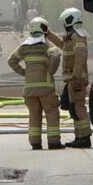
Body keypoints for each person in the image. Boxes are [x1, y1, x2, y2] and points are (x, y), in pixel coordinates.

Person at [8, 16, 63, 149]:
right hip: (46, 89)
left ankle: (35, 142)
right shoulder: (46, 45)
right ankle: (54, 141)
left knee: (34, 116)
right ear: (44, 30)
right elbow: (55, 56)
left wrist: (24, 72)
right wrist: (51, 71)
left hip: (29, 90)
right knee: (52, 114)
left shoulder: (24, 47)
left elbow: (11, 60)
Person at [54, 8, 93, 148]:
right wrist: (48, 34)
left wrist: (76, 76)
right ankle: (79, 136)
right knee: (73, 108)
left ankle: (84, 137)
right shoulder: (72, 37)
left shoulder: (78, 36)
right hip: (72, 80)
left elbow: (80, 57)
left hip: (77, 80)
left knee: (79, 108)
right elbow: (61, 44)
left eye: (64, 22)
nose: (63, 25)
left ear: (69, 21)